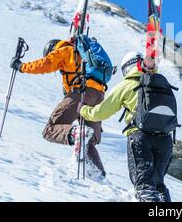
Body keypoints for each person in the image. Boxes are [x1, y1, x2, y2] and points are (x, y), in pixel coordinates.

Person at [79, 52, 173, 202]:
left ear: (128, 67)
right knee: (158, 185)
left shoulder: (126, 85)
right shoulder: (160, 82)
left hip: (141, 137)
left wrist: (83, 110)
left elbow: (101, 112)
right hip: (165, 140)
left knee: (144, 186)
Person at [10, 39, 106, 177]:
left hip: (81, 92)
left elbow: (46, 64)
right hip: (98, 96)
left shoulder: (64, 50)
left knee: (50, 129)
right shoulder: (81, 56)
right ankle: (99, 174)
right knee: (89, 140)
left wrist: (21, 66)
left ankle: (78, 134)